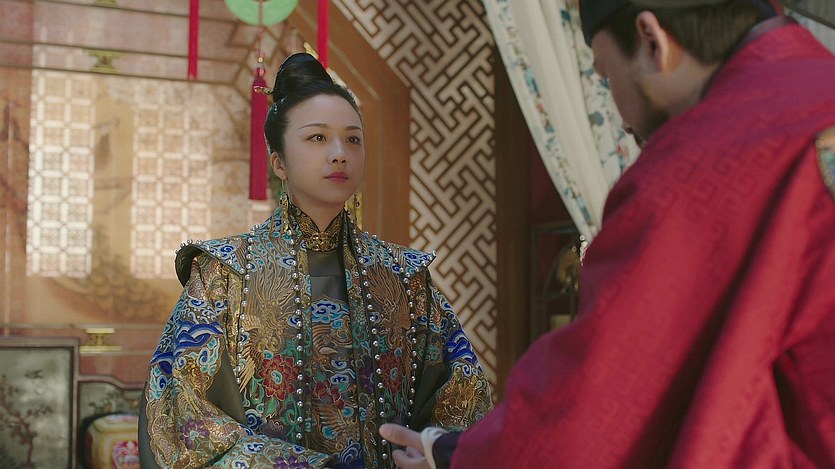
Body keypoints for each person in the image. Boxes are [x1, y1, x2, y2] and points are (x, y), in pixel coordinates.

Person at [380, 0, 835, 467]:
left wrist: (452, 454)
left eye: (604, 74)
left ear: (652, 39)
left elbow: (595, 403)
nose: (621, 118)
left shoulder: (698, 163)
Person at [138, 52, 492, 469]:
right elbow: (182, 420)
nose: (339, 153)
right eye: (317, 138)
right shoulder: (224, 274)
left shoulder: (404, 276)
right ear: (279, 162)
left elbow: (462, 400)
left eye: (353, 139)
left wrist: (431, 453)